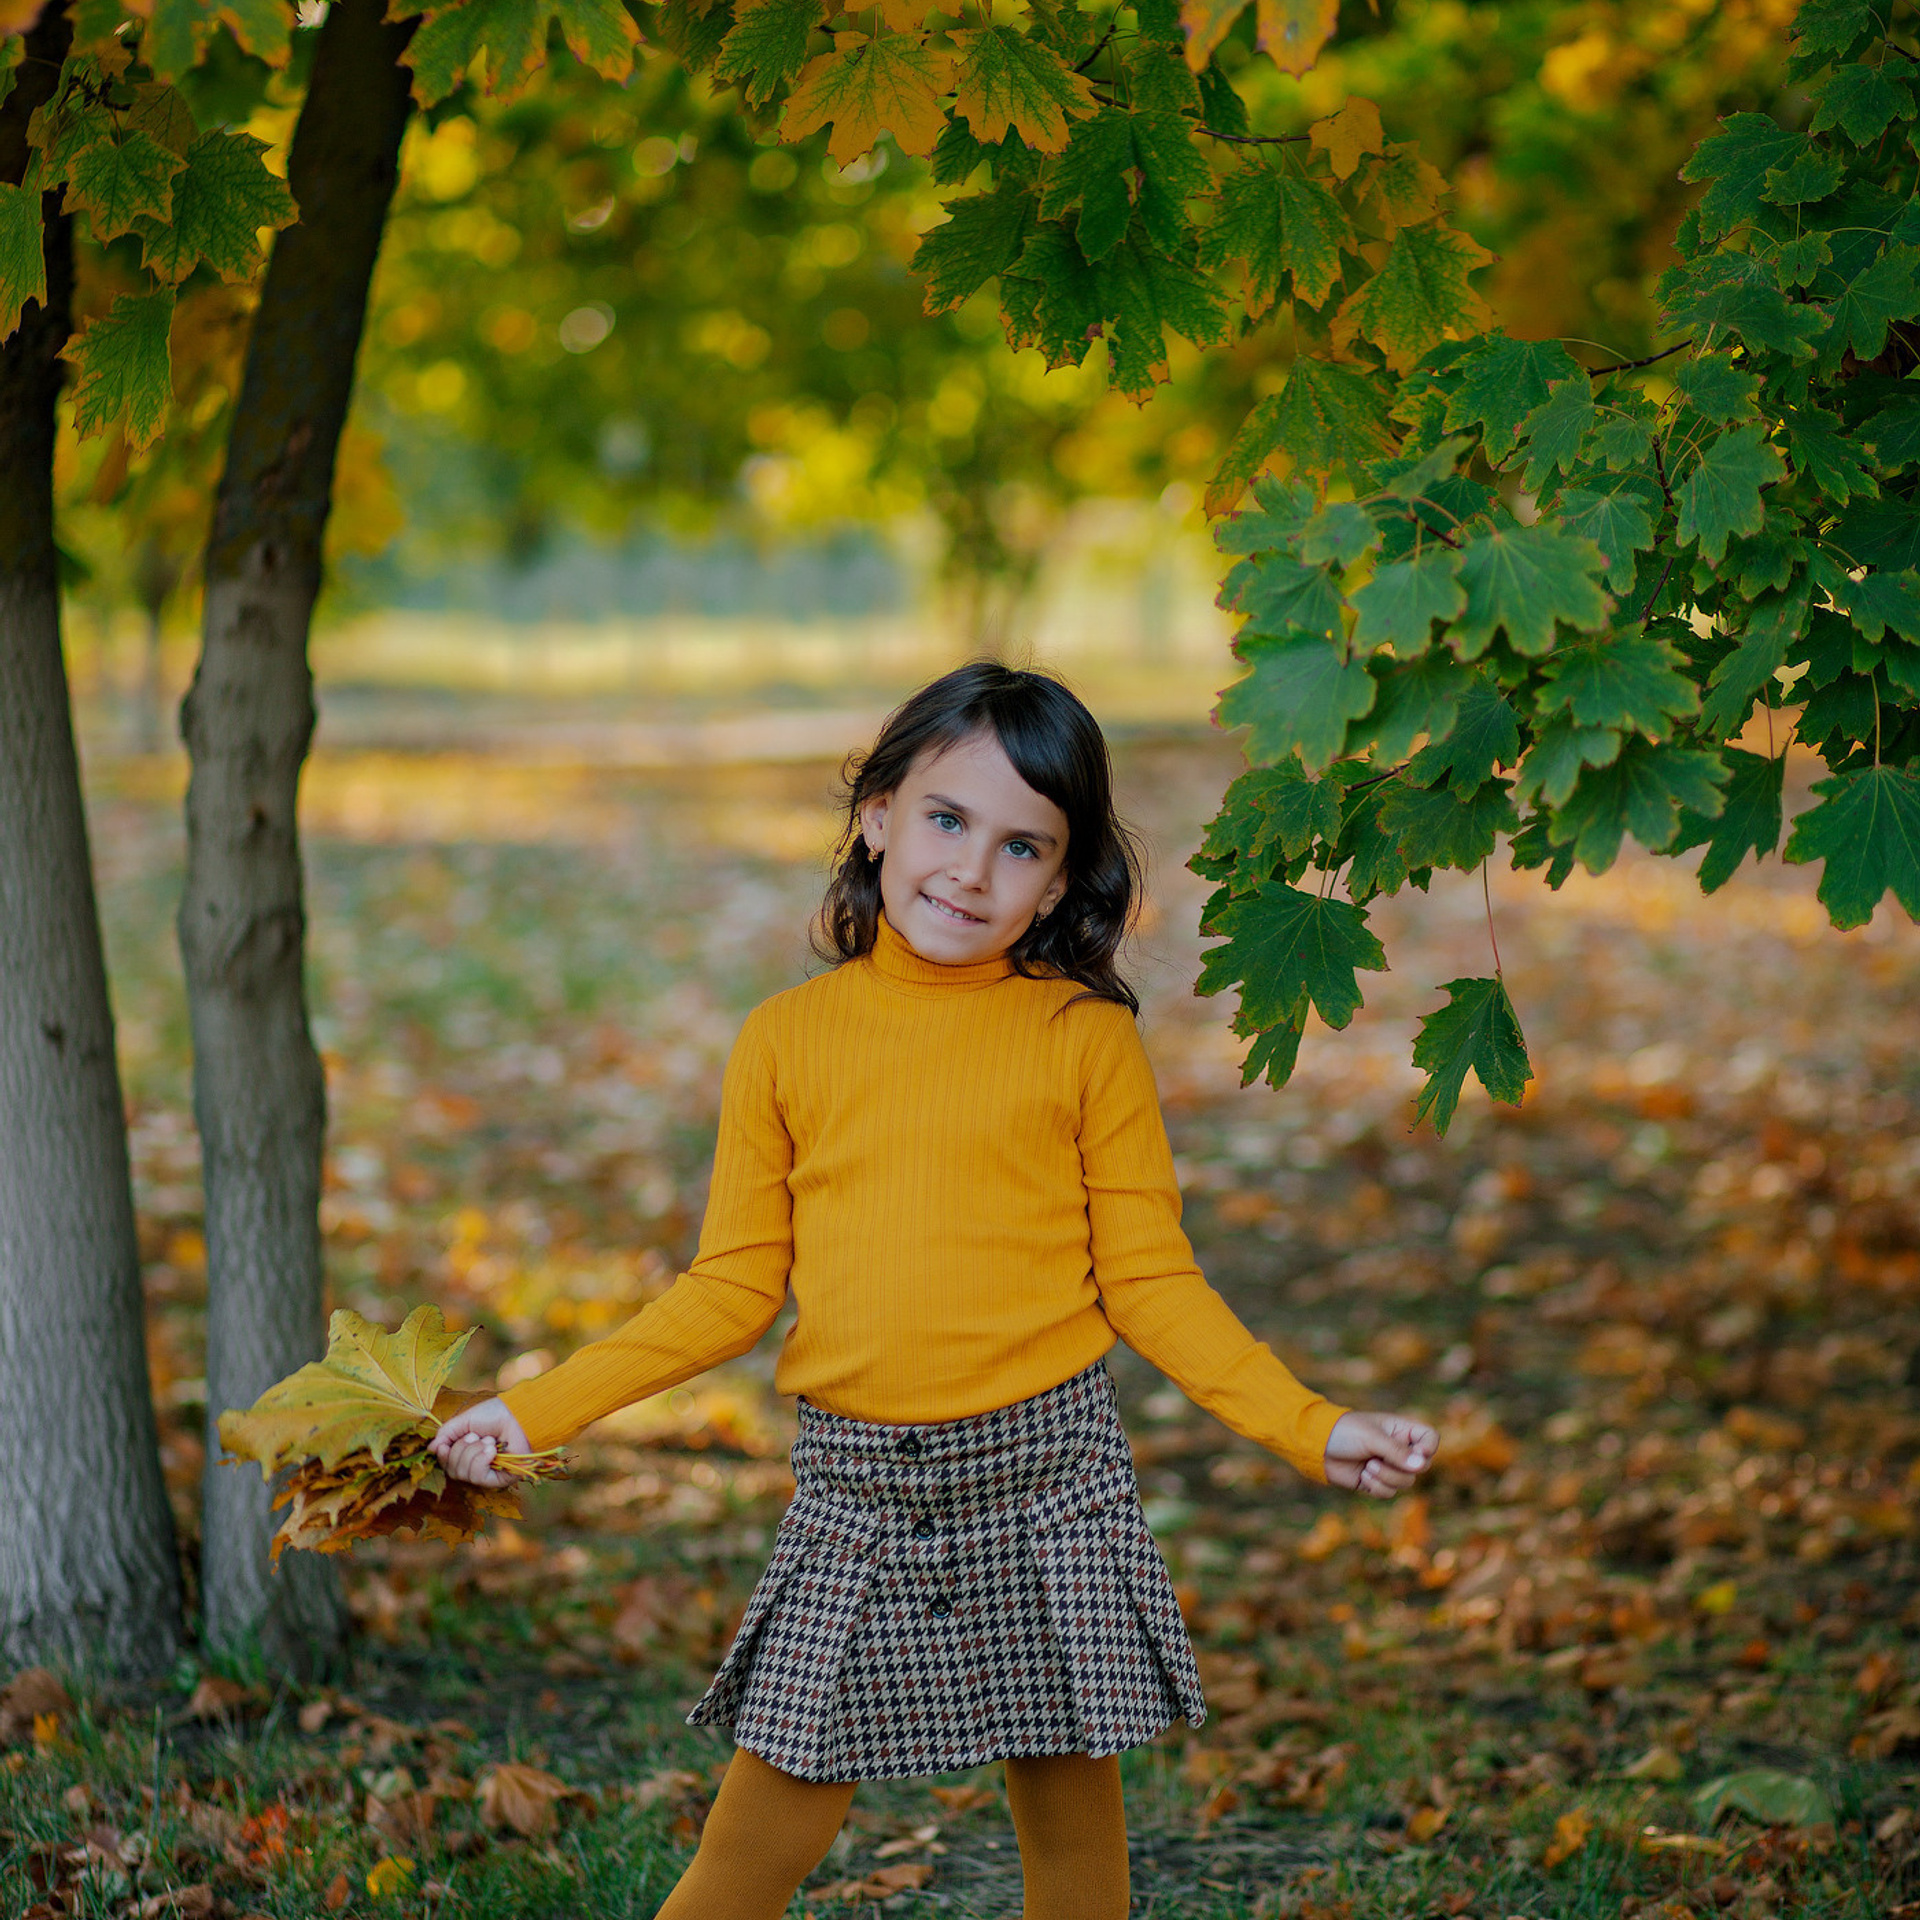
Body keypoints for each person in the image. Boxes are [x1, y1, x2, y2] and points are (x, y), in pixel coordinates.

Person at [431, 662, 1437, 1920]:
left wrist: (1314, 1423)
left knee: (1075, 1849)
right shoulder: (787, 1041)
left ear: (1062, 880)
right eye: (947, 821)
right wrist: (532, 1413)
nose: (971, 871)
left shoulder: (1084, 1040)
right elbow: (730, 1289)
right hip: (860, 1493)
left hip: (1047, 1483)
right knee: (757, 1841)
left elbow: (1152, 1281)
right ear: (878, 815)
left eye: (1022, 846)